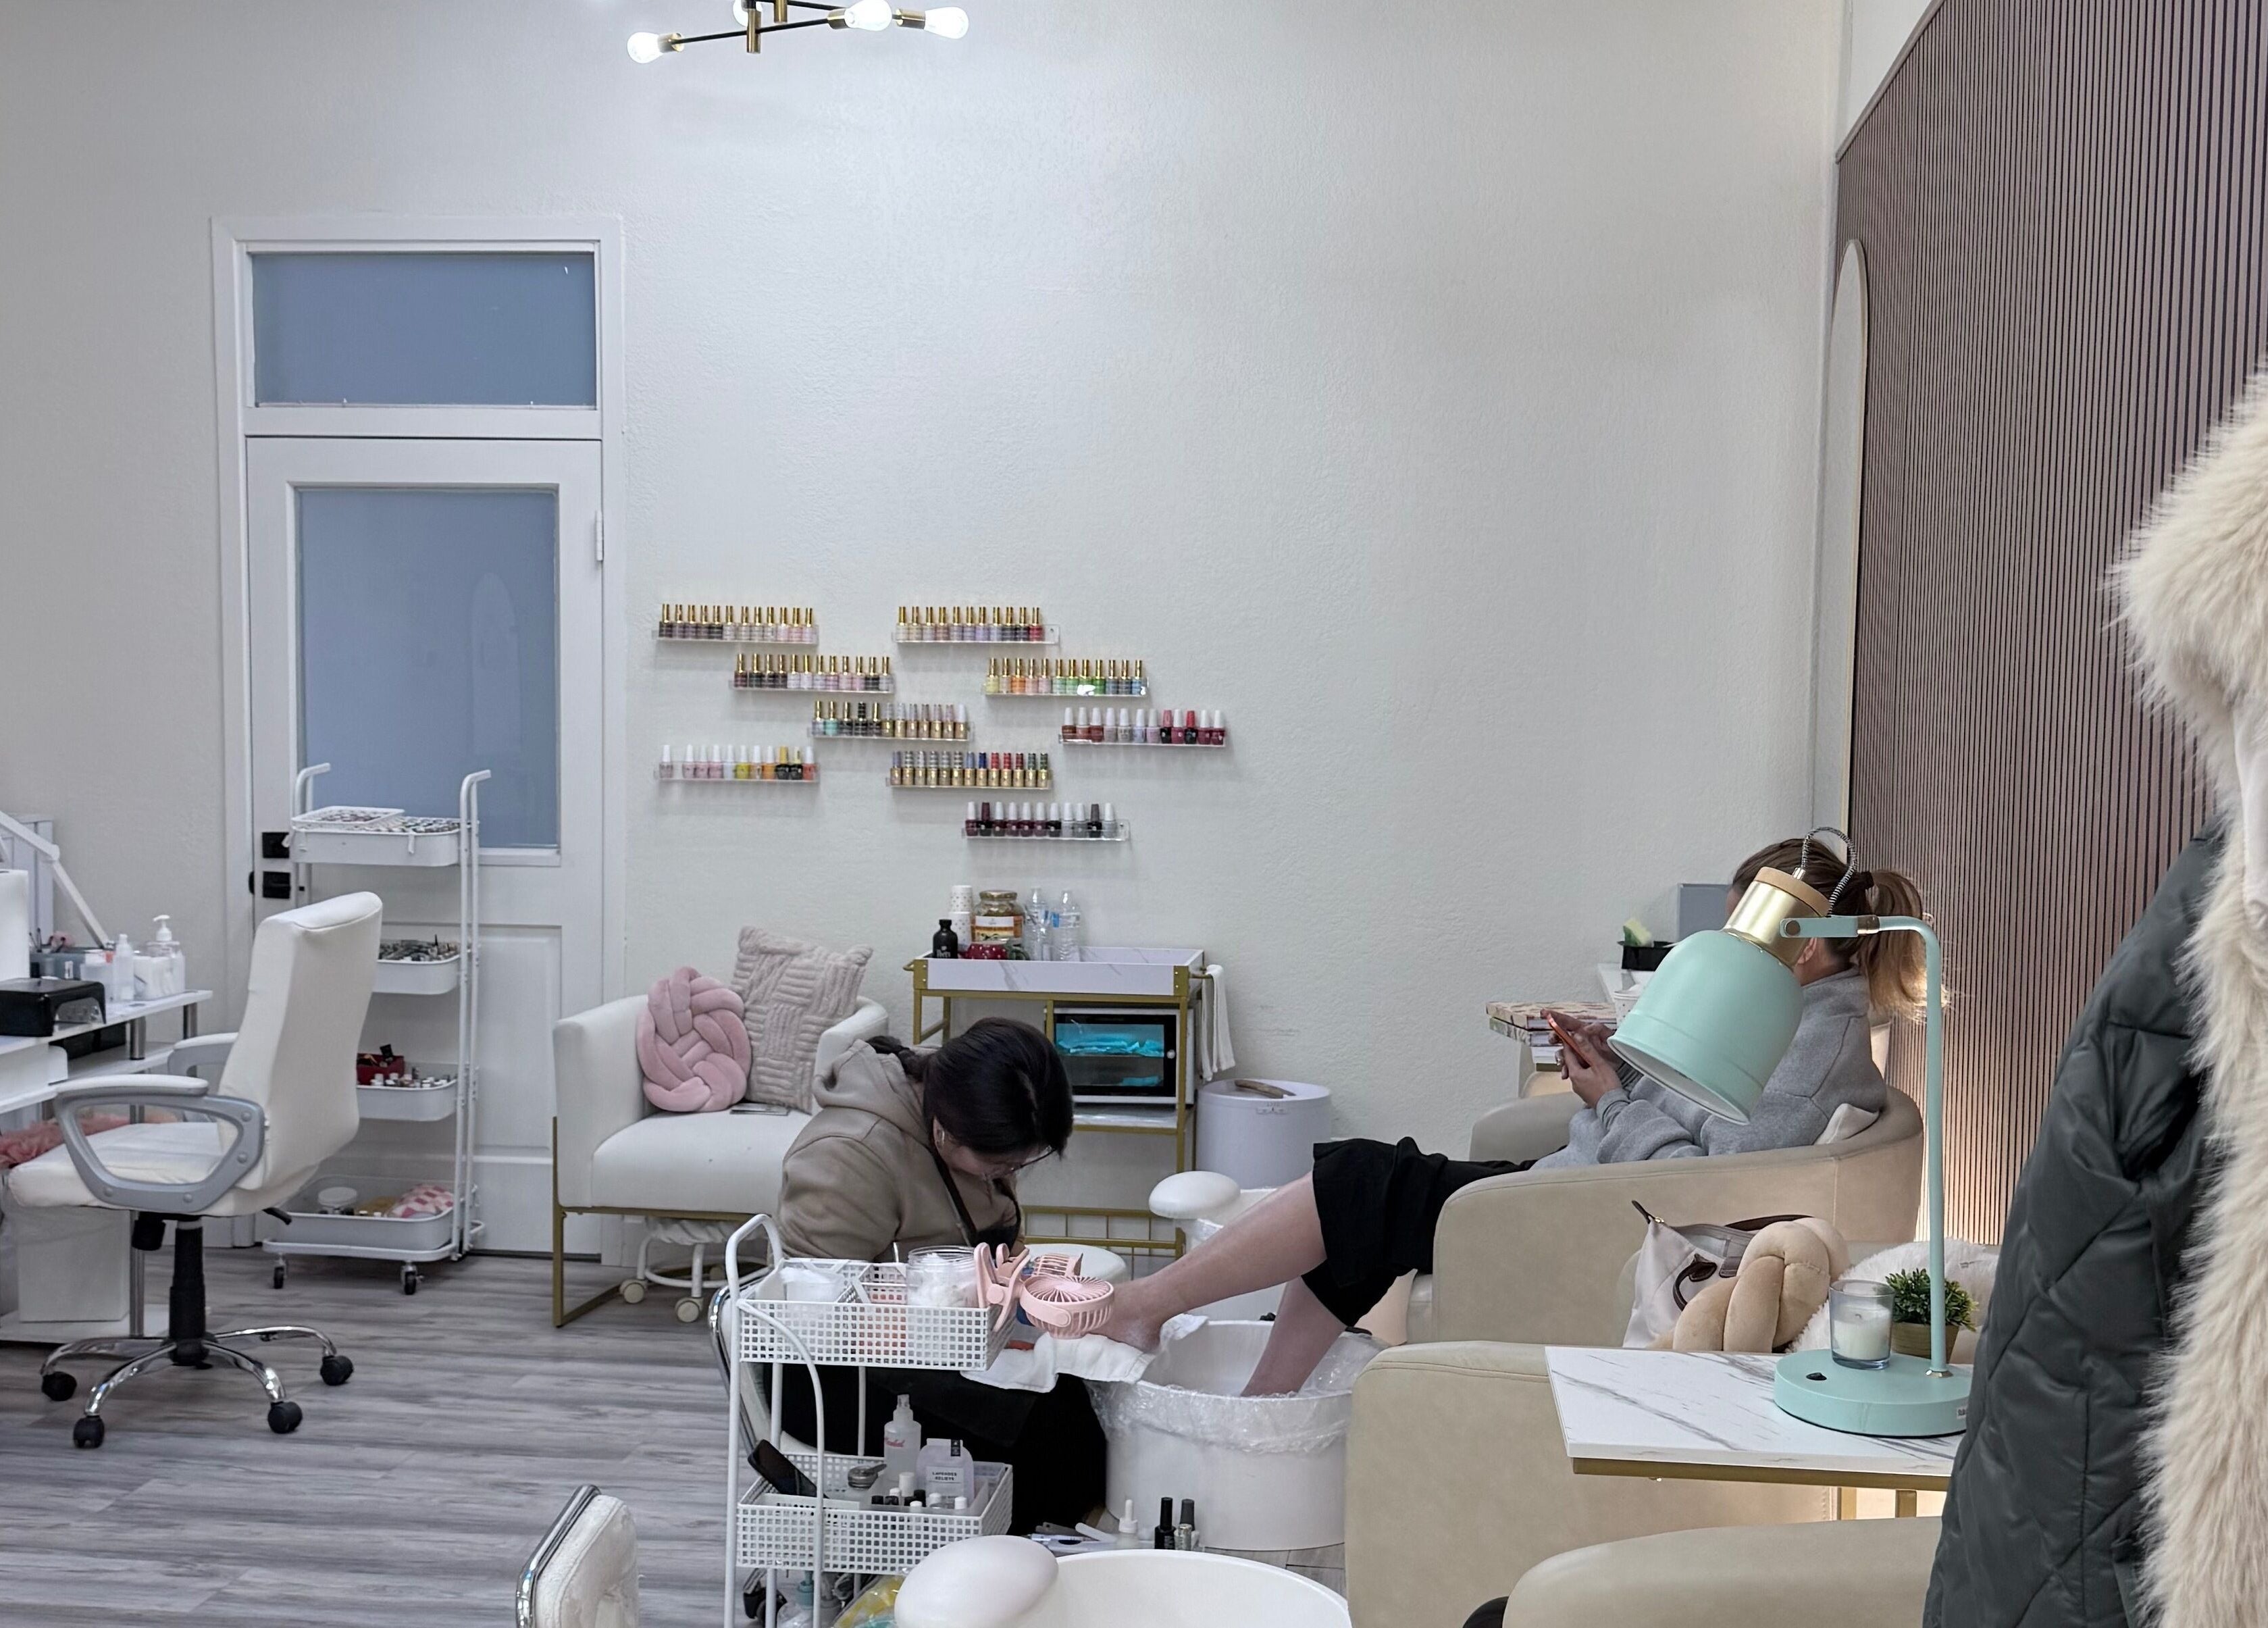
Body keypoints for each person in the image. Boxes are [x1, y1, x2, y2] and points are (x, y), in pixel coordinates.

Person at [1094, 837, 1927, 1396]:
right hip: (1575, 1185)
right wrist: (1626, 1056)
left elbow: (1709, 1191)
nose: (1727, 942)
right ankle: (1262, 1402)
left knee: (1357, 1181)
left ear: (1804, 944)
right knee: (1361, 1201)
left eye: (1743, 924)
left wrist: (1612, 1097)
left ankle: (1150, 1308)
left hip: (1588, 1217)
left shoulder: (1807, 1054)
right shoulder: (1789, 1015)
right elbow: (1699, 1114)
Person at [767, 1017, 1102, 1533]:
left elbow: (988, 1238)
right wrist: (960, 1323)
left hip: (946, 1343)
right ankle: (1022, 1568)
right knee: (1046, 1427)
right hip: (839, 1378)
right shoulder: (849, 1157)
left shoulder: (967, 1095)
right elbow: (816, 1320)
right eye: (1000, 1163)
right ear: (946, 1131)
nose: (1010, 1173)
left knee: (1086, 1385)